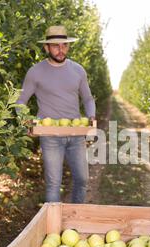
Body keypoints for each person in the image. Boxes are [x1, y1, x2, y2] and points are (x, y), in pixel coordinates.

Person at [16, 25, 95, 203]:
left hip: (75, 135)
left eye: (64, 45)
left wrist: (91, 115)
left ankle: (76, 217)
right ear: (46, 48)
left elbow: (88, 99)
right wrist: (25, 120)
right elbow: (21, 101)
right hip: (50, 135)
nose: (61, 50)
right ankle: (53, 226)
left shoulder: (78, 70)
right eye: (56, 46)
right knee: (53, 183)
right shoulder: (35, 72)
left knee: (82, 180)